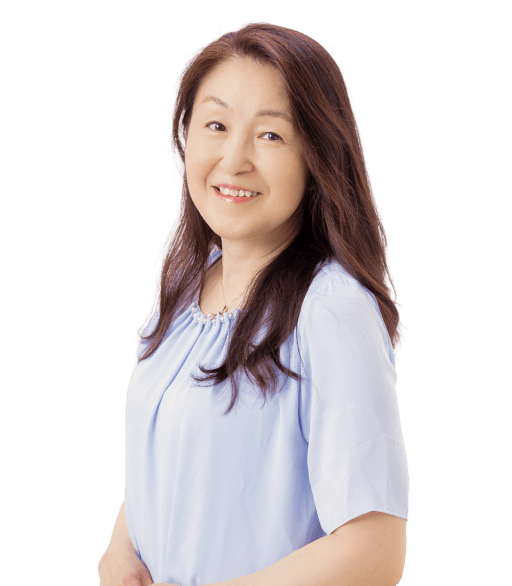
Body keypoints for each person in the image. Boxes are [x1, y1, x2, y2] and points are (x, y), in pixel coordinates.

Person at [99, 20, 408, 586]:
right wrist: (120, 550)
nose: (234, 159)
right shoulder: (187, 285)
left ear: (317, 156)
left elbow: (375, 550)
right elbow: (172, 457)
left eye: (270, 135)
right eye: (216, 125)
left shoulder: (331, 309)